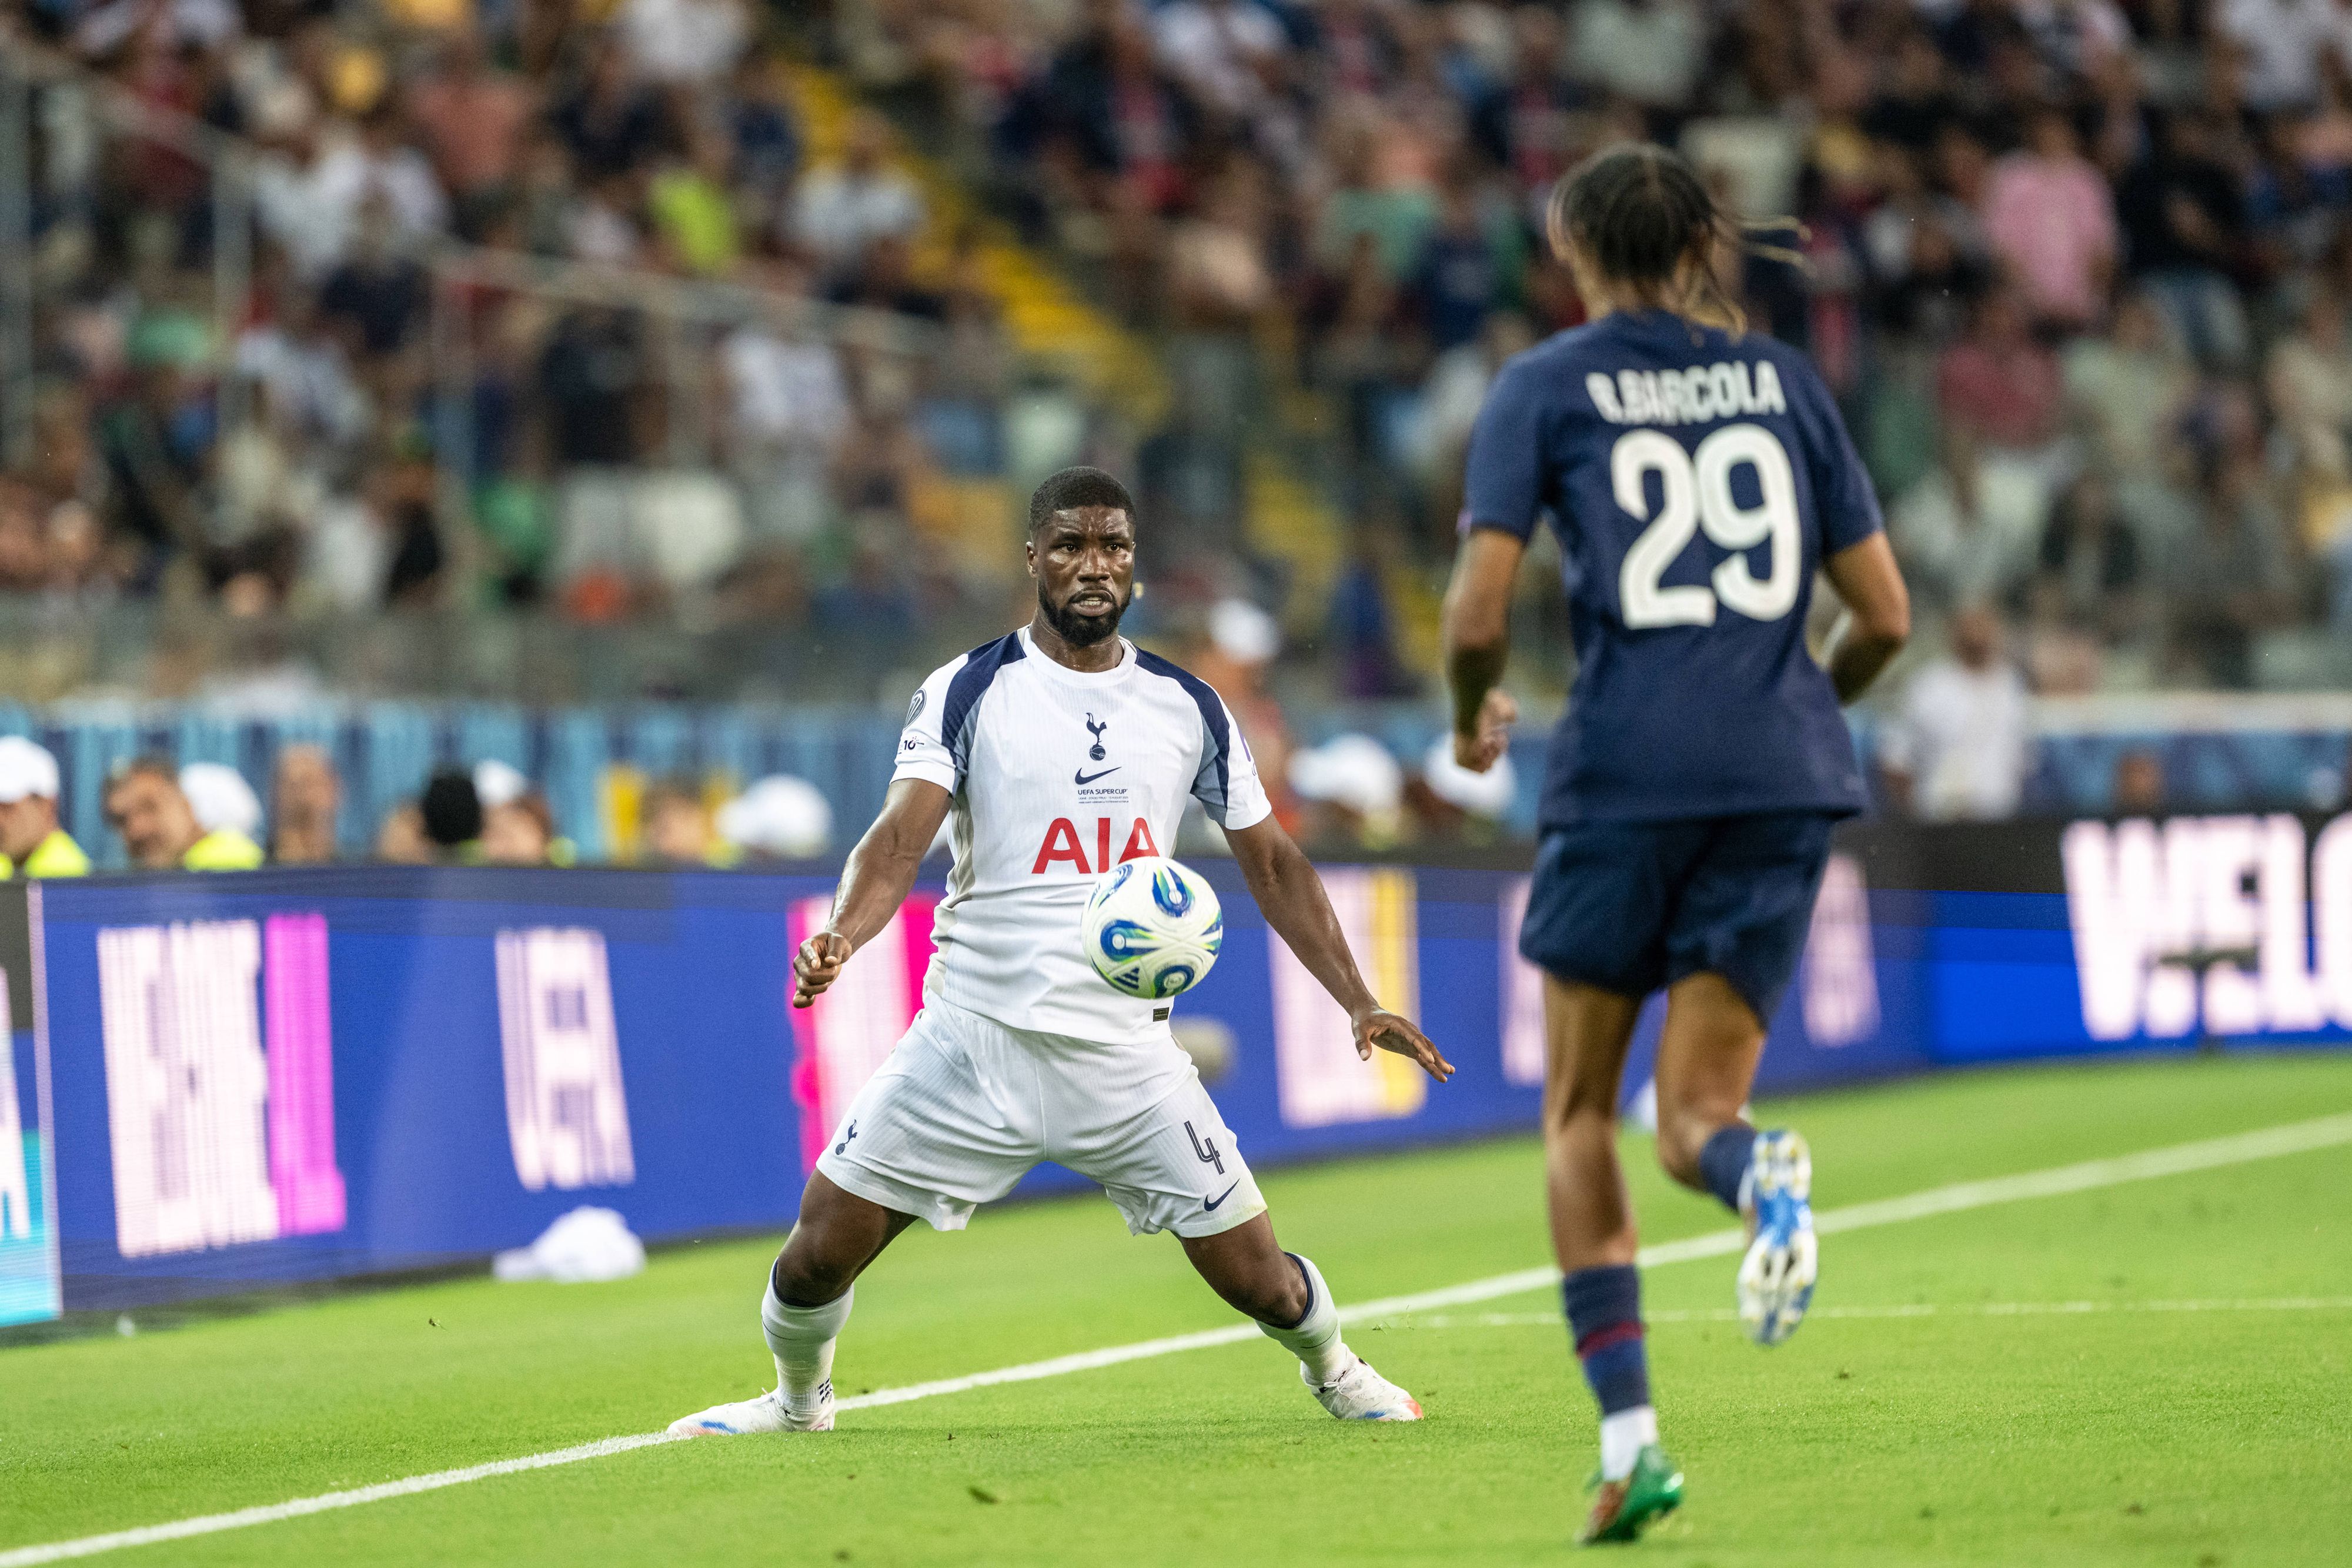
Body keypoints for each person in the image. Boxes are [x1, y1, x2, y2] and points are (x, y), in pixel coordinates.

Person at [669, 467, 1454, 1442]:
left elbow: (1276, 864)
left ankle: (1337, 1369)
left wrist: (1357, 996)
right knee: (812, 1258)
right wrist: (844, 930)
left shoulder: (1191, 707)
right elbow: (898, 840)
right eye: (1073, 545)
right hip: (968, 1044)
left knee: (1264, 1280)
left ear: (1136, 565)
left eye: (1114, 548)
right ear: (1033, 555)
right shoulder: (968, 689)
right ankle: (797, 1402)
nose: (1095, 566)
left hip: (1124, 1057)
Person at [1439, 145, 1910, 1544]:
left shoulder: (1543, 384)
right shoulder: (1783, 381)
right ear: (1703, 244)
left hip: (1625, 778)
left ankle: (1633, 1444)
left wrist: (1474, 724)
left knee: (1584, 1112)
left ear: (1574, 248)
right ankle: (1754, 1169)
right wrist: (1789, 715)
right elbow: (1882, 613)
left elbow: (1475, 620)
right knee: (1693, 1117)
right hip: (1780, 782)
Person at [1878, 605, 2032, 820]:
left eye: (1985, 626)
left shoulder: (2012, 686)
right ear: (1954, 631)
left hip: (1999, 823)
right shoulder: (1927, 686)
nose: (1979, 636)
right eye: (1972, 626)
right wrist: (1914, 817)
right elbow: (1895, 759)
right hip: (1938, 822)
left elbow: (2023, 762)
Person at [106, 758, 265, 871]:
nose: (137, 829)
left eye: (150, 808)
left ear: (186, 806)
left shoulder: (226, 861)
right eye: (122, 820)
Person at [0, 737, 90, 878]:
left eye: (7, 807)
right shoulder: (8, 862)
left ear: (47, 806)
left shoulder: (66, 877)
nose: (1, 820)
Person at [270, 744, 343, 864]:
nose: (301, 796)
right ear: (274, 793)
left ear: (334, 789)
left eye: (311, 784)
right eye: (293, 786)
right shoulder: (252, 868)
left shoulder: (358, 868)